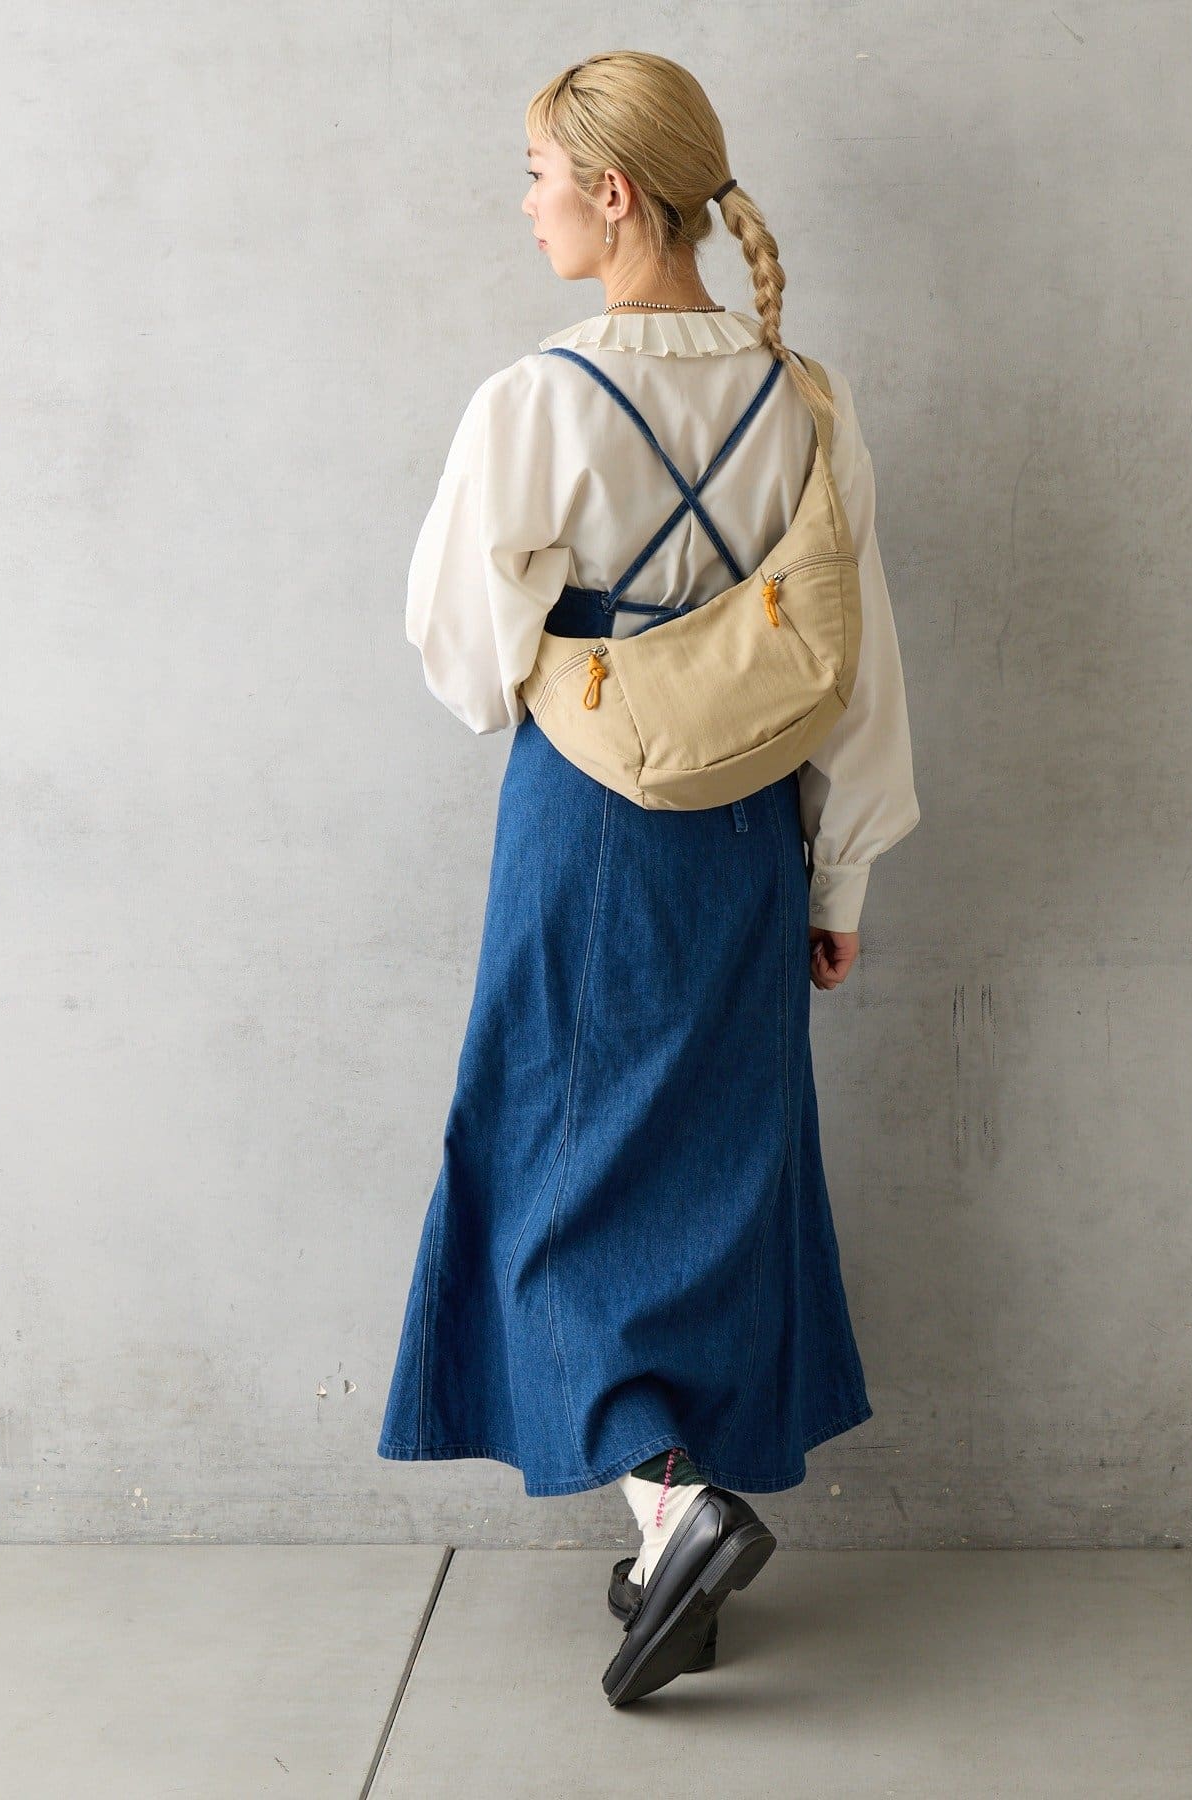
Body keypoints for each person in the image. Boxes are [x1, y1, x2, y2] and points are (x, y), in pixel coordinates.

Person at [376, 51, 920, 1706]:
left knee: (546, 1168)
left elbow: (465, 661)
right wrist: (838, 884)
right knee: (708, 1181)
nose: (525, 204)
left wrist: (568, 619)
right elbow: (854, 666)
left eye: (538, 174)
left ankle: (676, 1509)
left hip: (588, 829)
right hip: (750, 840)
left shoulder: (536, 402)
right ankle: (672, 1525)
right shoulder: (805, 398)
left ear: (614, 194)